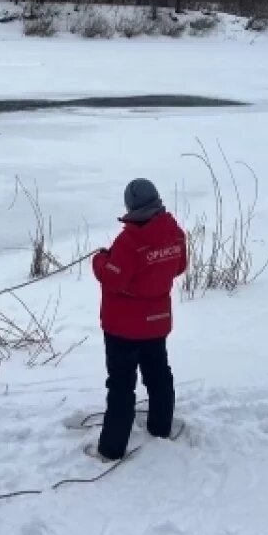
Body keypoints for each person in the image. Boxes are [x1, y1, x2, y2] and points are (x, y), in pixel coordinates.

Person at [91, 178, 188, 461]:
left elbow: (113, 277)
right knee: (158, 375)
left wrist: (99, 259)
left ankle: (111, 449)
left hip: (123, 328)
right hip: (156, 323)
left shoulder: (130, 241)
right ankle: (160, 428)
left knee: (121, 385)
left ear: (130, 206)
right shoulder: (174, 232)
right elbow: (179, 266)